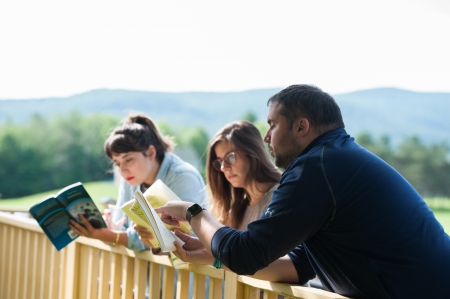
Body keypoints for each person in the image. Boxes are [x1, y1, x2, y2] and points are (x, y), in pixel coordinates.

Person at [154, 85, 450, 298]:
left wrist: (193, 212)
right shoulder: (333, 160)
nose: (267, 136)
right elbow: (298, 266)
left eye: (272, 125)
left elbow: (246, 253)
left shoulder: (315, 168)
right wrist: (216, 255)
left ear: (301, 127)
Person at [135, 120, 299, 282]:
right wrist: (158, 239)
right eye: (219, 161)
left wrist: (193, 215)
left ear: (253, 152)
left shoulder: (280, 197)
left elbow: (293, 266)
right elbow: (224, 258)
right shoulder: (233, 207)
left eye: (231, 157)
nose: (223, 168)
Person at [69, 113, 206, 251]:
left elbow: (177, 237)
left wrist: (111, 236)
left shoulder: (183, 177)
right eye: (117, 163)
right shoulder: (130, 178)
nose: (123, 170)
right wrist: (109, 229)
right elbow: (121, 227)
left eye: (128, 160)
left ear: (151, 153)